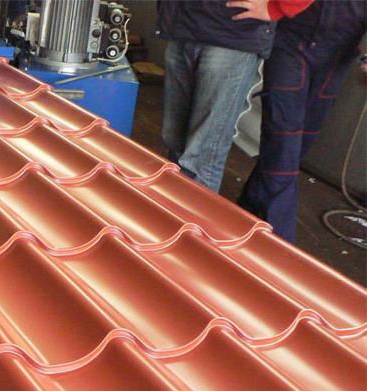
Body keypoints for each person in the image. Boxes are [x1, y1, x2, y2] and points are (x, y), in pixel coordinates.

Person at [238, 0, 367, 242]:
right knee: (283, 138)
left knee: (300, 143)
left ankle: (249, 209)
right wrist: (274, 8)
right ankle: (278, 240)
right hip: (291, 40)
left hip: (337, 53)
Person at [157, 0, 311, 193]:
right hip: (183, 27)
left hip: (232, 37)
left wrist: (276, 7)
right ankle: (171, 205)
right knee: (174, 140)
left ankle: (190, 211)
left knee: (202, 157)